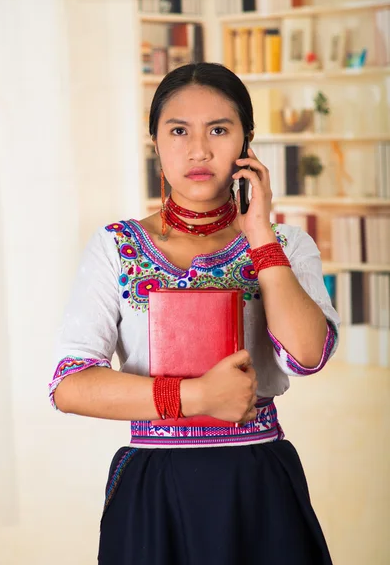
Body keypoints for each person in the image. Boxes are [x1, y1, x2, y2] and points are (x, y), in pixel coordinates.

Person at [49, 62, 340, 565]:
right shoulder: (116, 247)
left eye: (220, 130)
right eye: (178, 130)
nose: (199, 150)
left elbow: (307, 356)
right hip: (155, 487)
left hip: (258, 485)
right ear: (155, 142)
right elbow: (68, 384)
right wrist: (197, 395)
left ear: (248, 143)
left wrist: (262, 238)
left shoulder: (288, 243)